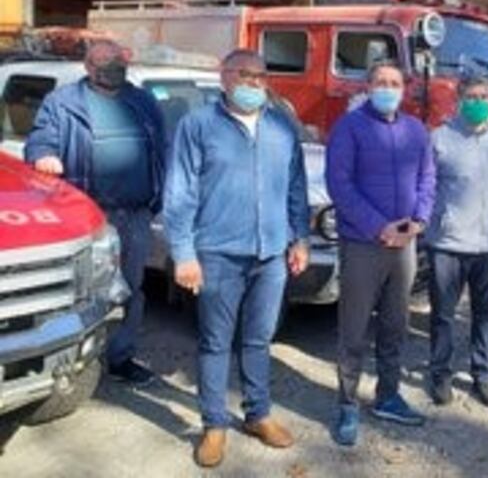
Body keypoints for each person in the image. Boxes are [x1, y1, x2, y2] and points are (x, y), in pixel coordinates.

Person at [165, 50, 309, 468]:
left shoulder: (281, 126)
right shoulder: (199, 126)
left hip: (270, 254)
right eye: (244, 75)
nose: (253, 83)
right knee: (215, 341)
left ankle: (257, 414)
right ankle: (213, 424)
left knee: (259, 339)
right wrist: (184, 254)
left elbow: (295, 188)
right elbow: (180, 194)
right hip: (218, 253)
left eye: (260, 76)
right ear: (224, 77)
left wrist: (299, 238)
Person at [25, 40, 165, 387]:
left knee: (131, 289)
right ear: (88, 66)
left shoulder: (143, 101)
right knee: (84, 292)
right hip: (89, 216)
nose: (114, 66)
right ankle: (74, 364)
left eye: (118, 59)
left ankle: (120, 358)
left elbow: (162, 147)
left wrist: (160, 196)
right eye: (105, 61)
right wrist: (44, 155)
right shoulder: (63, 102)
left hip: (135, 214)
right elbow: (39, 140)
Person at [326, 60, 435, 446]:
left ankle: (388, 395)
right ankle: (347, 404)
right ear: (368, 87)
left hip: (404, 244)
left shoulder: (415, 130)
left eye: (395, 83)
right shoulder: (350, 128)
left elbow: (427, 176)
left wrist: (419, 220)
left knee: (394, 325)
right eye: (381, 82)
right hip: (363, 244)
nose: (389, 88)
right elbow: (339, 184)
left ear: (404, 89)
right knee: (353, 330)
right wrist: (378, 226)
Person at [426, 74, 488, 408]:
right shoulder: (440, 138)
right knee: (443, 315)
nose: (479, 102)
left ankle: (483, 374)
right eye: (472, 96)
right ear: (459, 100)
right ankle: (441, 375)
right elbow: (426, 188)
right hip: (448, 243)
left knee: (487, 315)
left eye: (484, 96)